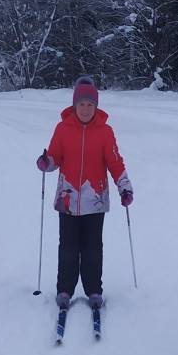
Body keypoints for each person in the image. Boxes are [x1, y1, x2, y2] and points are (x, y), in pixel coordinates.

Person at [36, 76, 133, 310]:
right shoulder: (62, 129)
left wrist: (124, 187)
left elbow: (115, 163)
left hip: (95, 200)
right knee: (67, 247)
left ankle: (93, 290)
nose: (86, 109)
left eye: (91, 105)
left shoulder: (105, 132)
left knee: (92, 248)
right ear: (74, 105)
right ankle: (65, 289)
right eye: (82, 104)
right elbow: (54, 158)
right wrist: (45, 162)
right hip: (67, 200)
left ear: (96, 106)